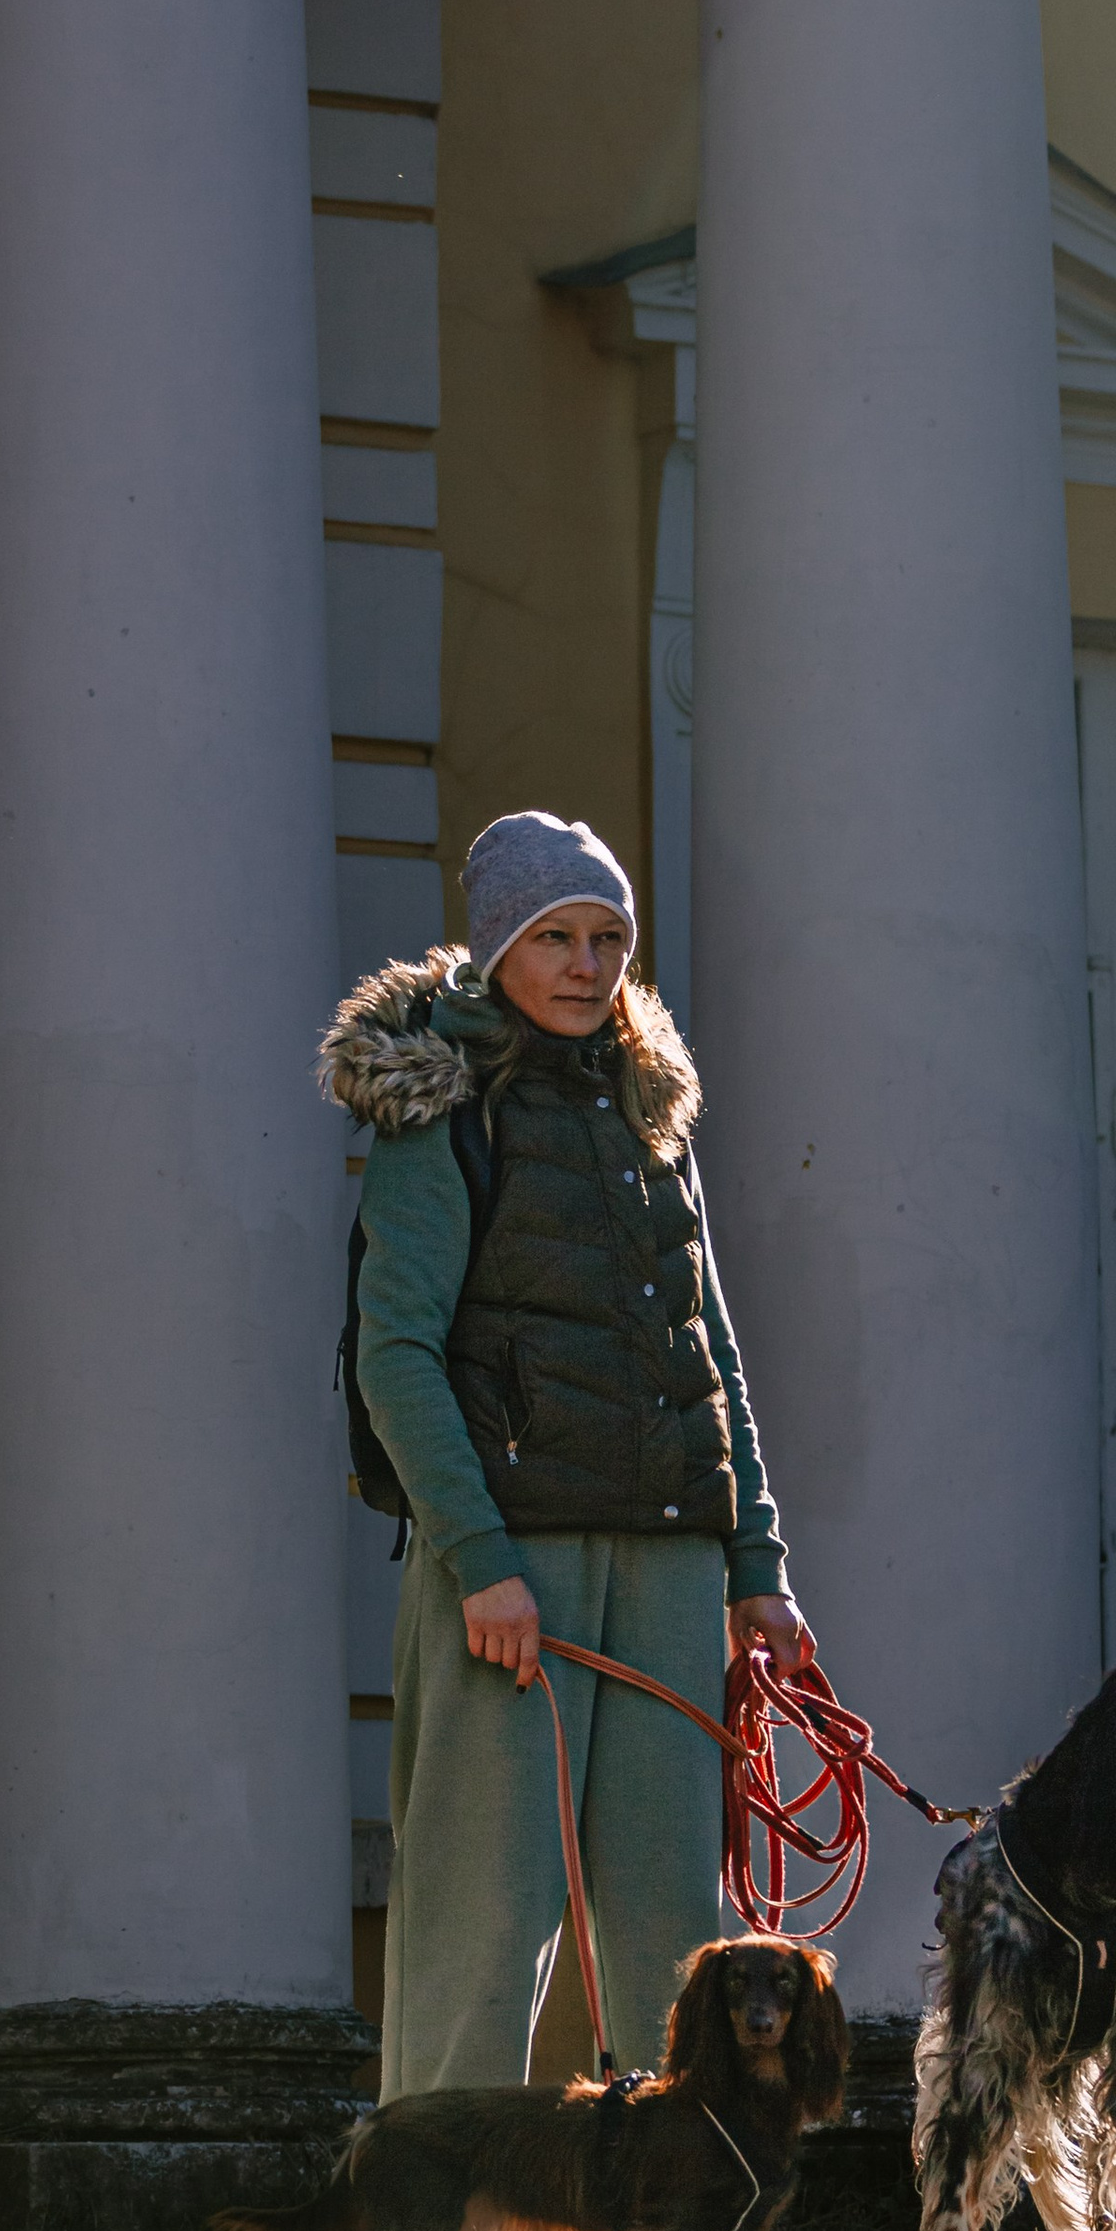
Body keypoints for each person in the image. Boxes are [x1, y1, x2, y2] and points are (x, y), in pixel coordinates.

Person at [323, 809, 810, 2149]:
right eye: (556, 938)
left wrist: (758, 1570)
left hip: (670, 1561)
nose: (588, 965)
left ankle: (685, 2207)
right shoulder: (441, 1116)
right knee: (484, 1919)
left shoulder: (656, 1115)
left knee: (674, 1925)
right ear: (499, 948)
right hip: (508, 1573)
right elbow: (396, 1356)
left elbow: (712, 1351)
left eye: (607, 938)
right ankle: (427, 2220)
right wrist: (480, 1560)